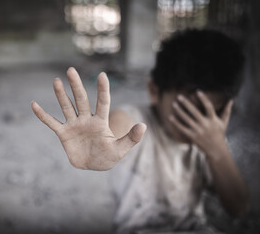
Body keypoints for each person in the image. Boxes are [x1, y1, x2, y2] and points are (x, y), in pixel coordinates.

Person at [31, 29, 249, 234]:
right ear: (155, 91)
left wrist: (218, 149)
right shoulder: (134, 120)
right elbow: (115, 130)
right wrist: (98, 147)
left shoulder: (210, 140)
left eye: (214, 112)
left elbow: (238, 208)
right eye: (188, 109)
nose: (200, 123)